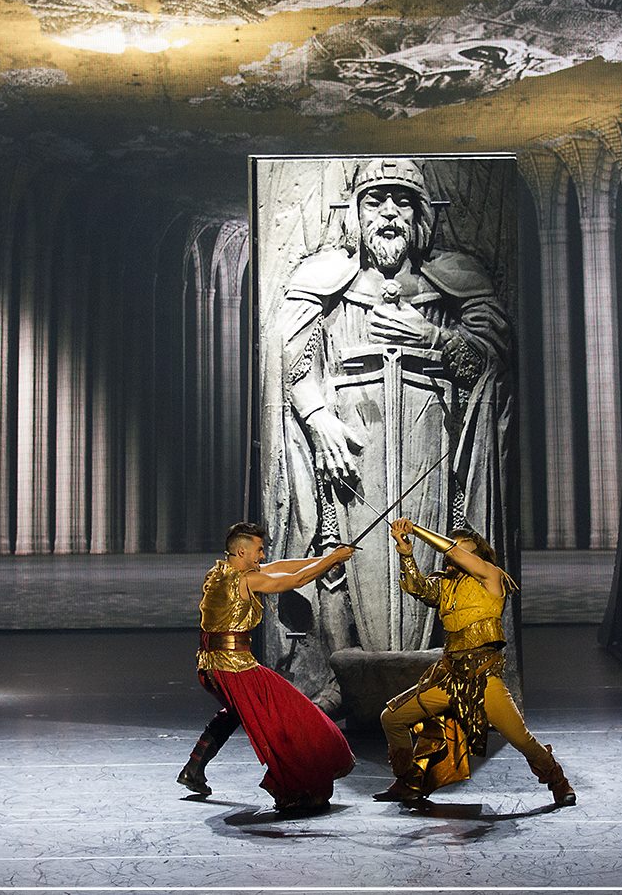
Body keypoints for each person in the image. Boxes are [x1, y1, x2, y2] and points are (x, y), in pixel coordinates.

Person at [271, 157, 513, 699]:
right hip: (350, 441)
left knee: (437, 550)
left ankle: (444, 668)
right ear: (355, 214)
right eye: (374, 200)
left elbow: (491, 357)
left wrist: (431, 336)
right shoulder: (325, 282)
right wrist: (318, 419)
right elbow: (290, 363)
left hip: (433, 441)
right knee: (338, 549)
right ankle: (339, 676)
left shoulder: (451, 282)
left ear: (421, 215)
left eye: (401, 201)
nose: (388, 213)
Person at [374, 517, 575, 807]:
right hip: (449, 679)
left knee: (521, 739)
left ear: (477, 556)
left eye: (460, 550)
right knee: (392, 717)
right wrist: (406, 552)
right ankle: (409, 782)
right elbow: (418, 588)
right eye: (452, 549)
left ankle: (558, 780)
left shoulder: (491, 577)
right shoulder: (446, 585)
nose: (452, 555)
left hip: (483, 681)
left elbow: (453, 551)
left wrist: (415, 528)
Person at [177, 523, 357, 812]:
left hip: (210, 667)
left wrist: (326, 558)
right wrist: (333, 560)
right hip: (234, 668)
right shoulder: (247, 580)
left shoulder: (219, 573)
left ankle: (193, 769)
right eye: (259, 550)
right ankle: (293, 789)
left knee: (236, 711)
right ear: (242, 551)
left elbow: (283, 567)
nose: (262, 555)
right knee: (288, 718)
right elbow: (296, 580)